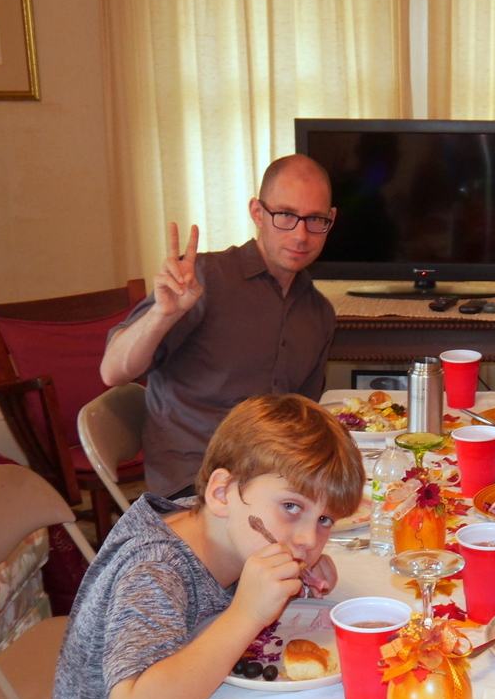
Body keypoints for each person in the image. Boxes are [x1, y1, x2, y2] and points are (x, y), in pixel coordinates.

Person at [35, 395, 364, 699]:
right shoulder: (155, 569)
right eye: (291, 507)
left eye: (324, 521)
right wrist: (247, 612)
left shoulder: (221, 532)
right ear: (221, 493)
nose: (307, 540)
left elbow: (205, 619)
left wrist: (284, 581)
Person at [102, 154, 339, 497]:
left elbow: (302, 418)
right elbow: (112, 372)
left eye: (315, 219)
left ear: (331, 220)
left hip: (272, 479)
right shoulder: (202, 279)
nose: (301, 235)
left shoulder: (319, 313)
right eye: (286, 215)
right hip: (193, 483)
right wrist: (161, 316)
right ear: (258, 212)